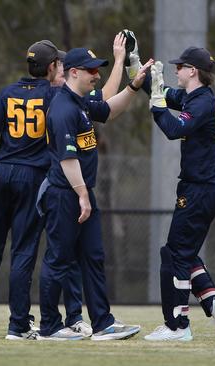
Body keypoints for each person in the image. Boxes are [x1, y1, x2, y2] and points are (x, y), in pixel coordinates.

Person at [0, 34, 128, 340]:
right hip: (35, 177)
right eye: (59, 64)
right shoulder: (57, 96)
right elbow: (101, 102)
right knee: (30, 253)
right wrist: (119, 65)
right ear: (52, 67)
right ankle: (20, 324)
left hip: (2, 172)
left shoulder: (8, 92)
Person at [37, 47, 152, 341]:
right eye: (91, 70)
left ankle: (103, 323)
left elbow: (111, 109)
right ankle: (50, 326)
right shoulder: (63, 107)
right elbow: (67, 159)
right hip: (65, 194)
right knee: (58, 259)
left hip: (81, 193)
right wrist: (82, 195)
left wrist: (135, 84)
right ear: (73, 72)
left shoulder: (82, 102)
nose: (96, 75)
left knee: (94, 256)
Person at [140, 47, 215, 342]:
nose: (176, 71)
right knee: (182, 252)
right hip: (200, 188)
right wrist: (136, 67)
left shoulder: (202, 103)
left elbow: (172, 128)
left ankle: (177, 325)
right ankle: (212, 300)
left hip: (199, 189)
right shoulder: (194, 97)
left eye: (179, 66)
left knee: (174, 255)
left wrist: (156, 106)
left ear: (192, 70)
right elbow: (160, 91)